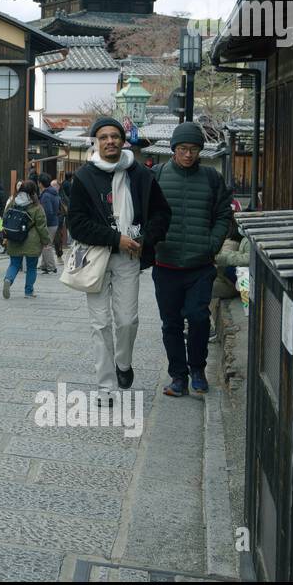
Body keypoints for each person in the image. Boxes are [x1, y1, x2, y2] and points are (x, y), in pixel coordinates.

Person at [68, 117, 171, 405]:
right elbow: (76, 224)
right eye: (103, 137)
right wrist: (115, 239)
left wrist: (144, 240)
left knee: (127, 320)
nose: (110, 141)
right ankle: (105, 387)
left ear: (123, 141)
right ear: (95, 142)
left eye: (115, 136)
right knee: (100, 324)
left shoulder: (140, 175)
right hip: (95, 258)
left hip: (129, 258)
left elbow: (163, 215)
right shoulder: (84, 177)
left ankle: (123, 364)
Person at [151, 122, 233, 397]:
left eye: (194, 149)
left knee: (198, 317)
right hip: (166, 263)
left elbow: (224, 214)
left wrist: (212, 244)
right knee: (171, 322)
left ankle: (197, 369)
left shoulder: (211, 178)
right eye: (183, 149)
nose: (188, 154)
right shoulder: (158, 175)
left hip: (200, 264)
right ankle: (178, 377)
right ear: (174, 149)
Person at [1, 180, 52, 298]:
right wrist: (46, 241)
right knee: (31, 267)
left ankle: (8, 279)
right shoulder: (36, 207)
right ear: (33, 192)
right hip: (32, 242)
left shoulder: (12, 203)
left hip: (14, 238)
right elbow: (42, 227)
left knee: (14, 264)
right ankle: (28, 292)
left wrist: (3, 236)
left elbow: (4, 218)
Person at [38, 178, 62, 274]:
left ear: (40, 183)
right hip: (54, 222)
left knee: (46, 245)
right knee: (47, 244)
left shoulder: (46, 195)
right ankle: (44, 265)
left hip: (49, 223)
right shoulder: (54, 193)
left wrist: (42, 223)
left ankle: (52, 266)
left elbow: (47, 212)